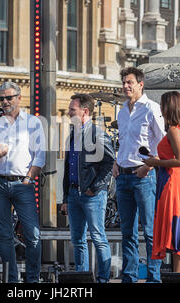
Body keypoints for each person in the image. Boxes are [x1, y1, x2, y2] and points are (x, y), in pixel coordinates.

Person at [0, 81, 46, 283]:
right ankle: (11, 281)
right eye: (1, 98)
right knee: (5, 236)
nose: (5, 101)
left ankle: (33, 280)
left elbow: (40, 157)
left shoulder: (33, 123)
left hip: (22, 184)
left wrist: (27, 179)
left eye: (8, 97)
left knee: (32, 235)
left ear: (19, 98)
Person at [113, 67, 166, 283]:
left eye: (130, 82)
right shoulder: (122, 110)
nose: (126, 86)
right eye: (124, 82)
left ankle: (154, 277)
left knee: (150, 232)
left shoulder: (152, 108)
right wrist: (116, 162)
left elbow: (163, 144)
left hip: (143, 176)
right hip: (123, 175)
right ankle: (130, 277)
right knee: (128, 233)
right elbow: (124, 141)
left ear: (140, 84)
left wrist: (149, 166)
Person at [60, 94, 115, 283]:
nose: (68, 113)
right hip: (75, 194)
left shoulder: (98, 135)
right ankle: (81, 279)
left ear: (85, 111)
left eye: (72, 110)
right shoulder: (72, 136)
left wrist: (95, 187)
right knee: (78, 240)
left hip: (92, 195)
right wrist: (66, 197)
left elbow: (110, 163)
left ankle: (102, 279)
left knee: (98, 238)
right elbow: (68, 169)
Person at [143, 91, 180, 273]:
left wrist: (155, 162)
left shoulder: (174, 131)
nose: (160, 108)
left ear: (169, 107)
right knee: (179, 236)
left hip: (173, 185)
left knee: (177, 237)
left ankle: (179, 276)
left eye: (162, 105)